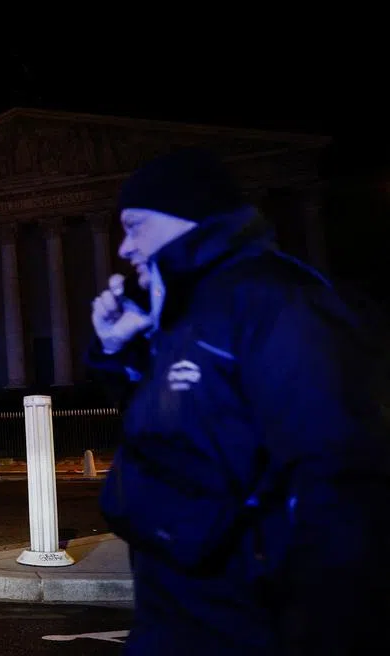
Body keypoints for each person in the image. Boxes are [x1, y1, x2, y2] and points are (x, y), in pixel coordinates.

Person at [87, 146, 390, 655]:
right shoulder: (190, 315)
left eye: (135, 226)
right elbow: (186, 436)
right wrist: (122, 354)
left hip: (247, 625)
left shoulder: (277, 301)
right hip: (179, 616)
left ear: (186, 218)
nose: (125, 248)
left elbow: (340, 479)